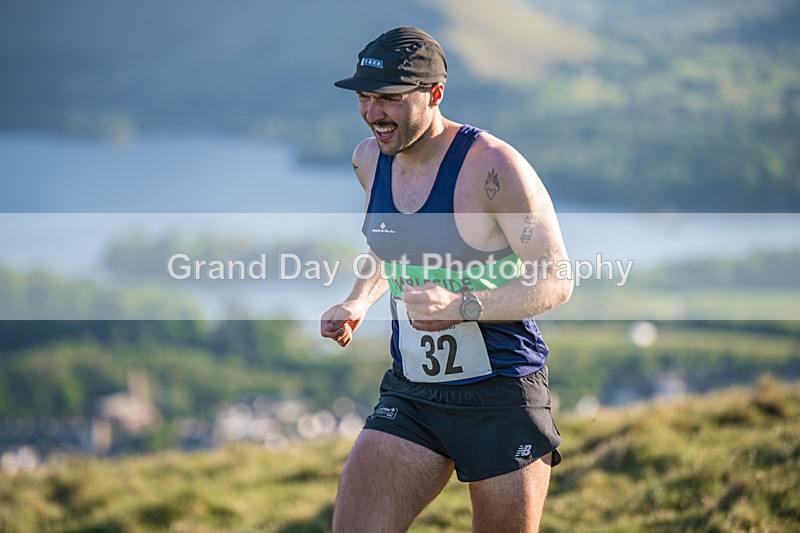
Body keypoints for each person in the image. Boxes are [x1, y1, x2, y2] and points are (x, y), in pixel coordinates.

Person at [320, 26, 573, 532]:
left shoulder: (494, 168)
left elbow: (556, 278)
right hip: (414, 392)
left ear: (434, 95)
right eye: (365, 98)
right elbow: (389, 241)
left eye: (389, 99)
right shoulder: (368, 159)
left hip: (502, 392)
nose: (373, 114)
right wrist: (357, 300)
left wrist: (460, 305)